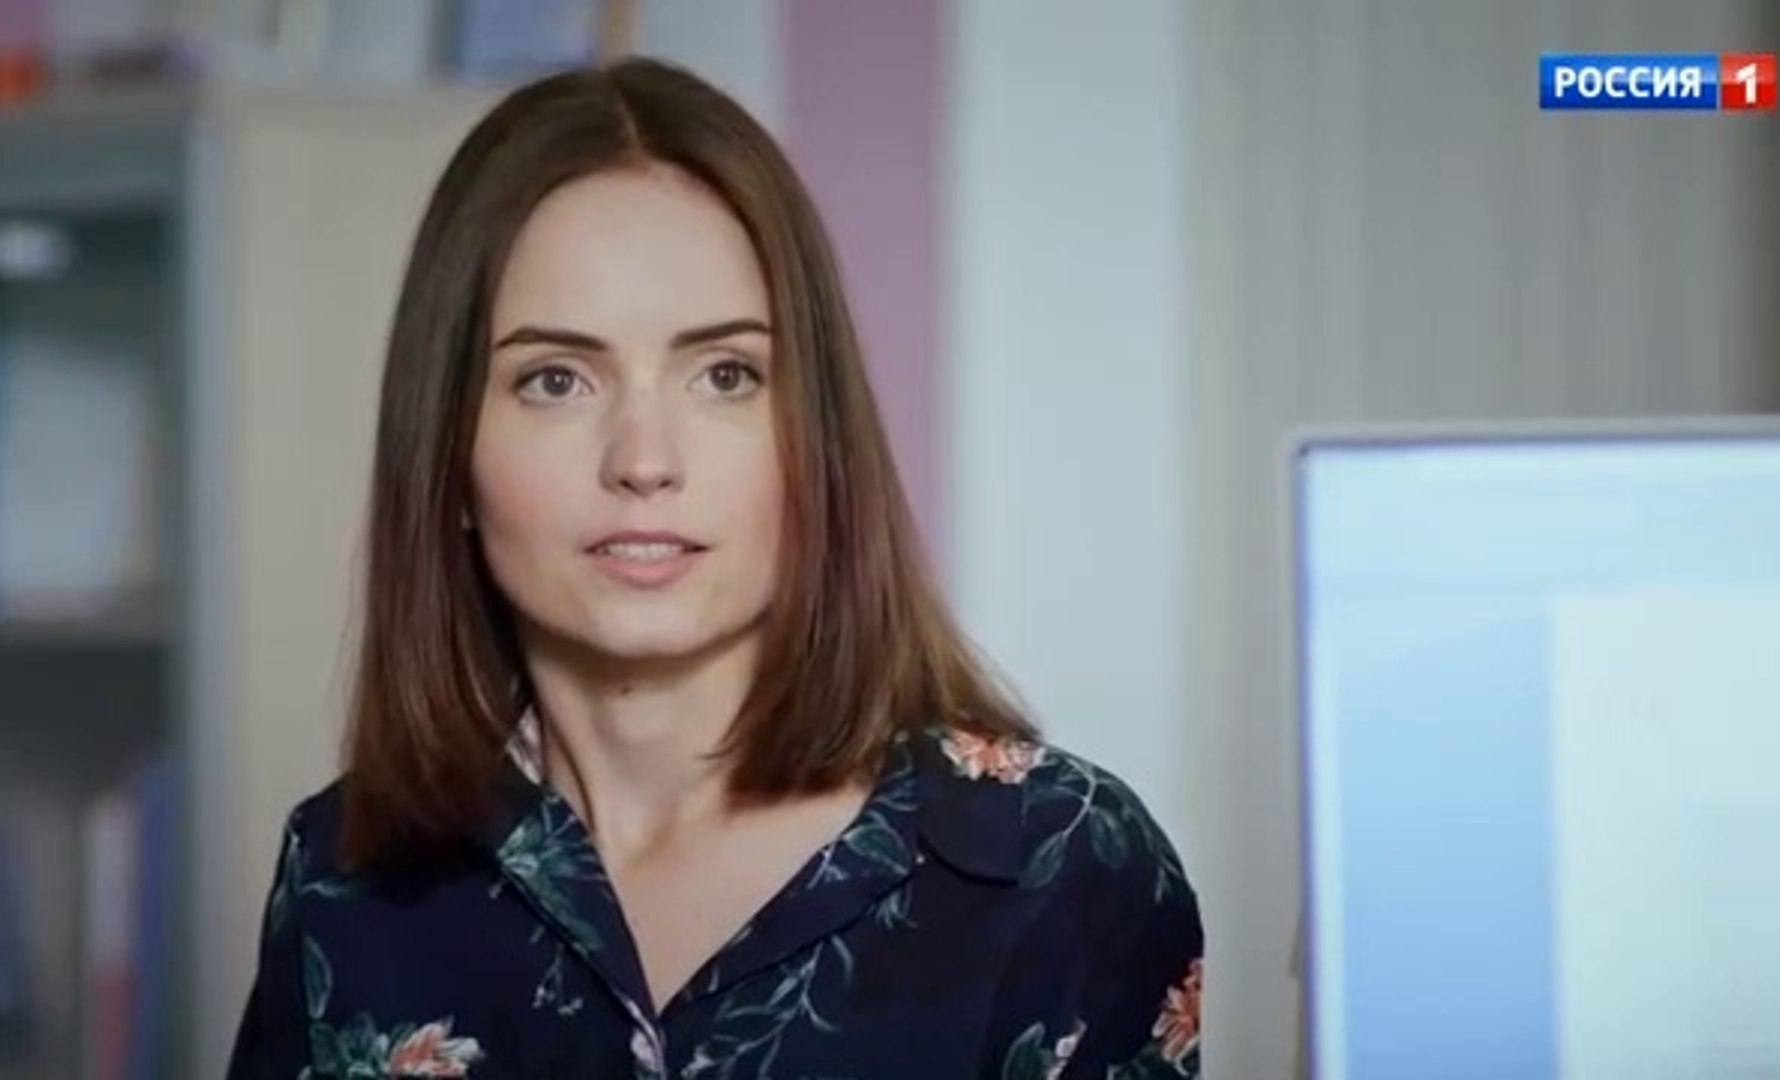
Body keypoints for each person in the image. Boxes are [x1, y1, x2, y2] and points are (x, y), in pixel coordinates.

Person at [226, 56, 1203, 1079]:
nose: (645, 460)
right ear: (450, 456)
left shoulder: (1062, 869)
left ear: (813, 437)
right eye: (555, 380)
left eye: (725, 374)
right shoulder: (344, 884)